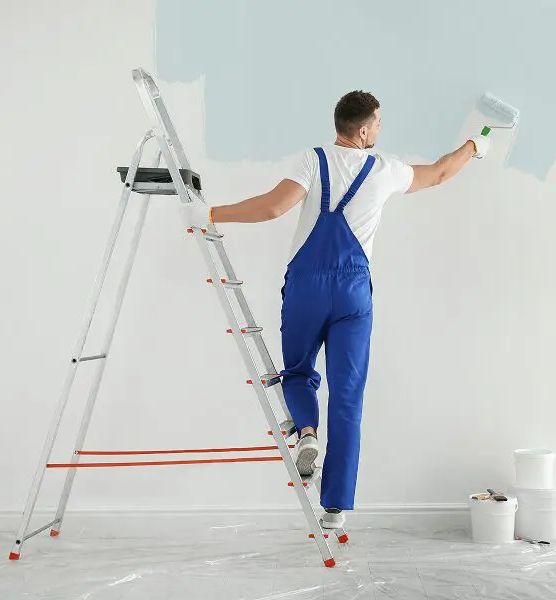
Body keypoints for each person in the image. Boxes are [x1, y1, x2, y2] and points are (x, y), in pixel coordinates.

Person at [191, 91, 490, 529]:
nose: (380, 129)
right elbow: (441, 172)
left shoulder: (313, 160)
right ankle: (334, 508)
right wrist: (474, 146)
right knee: (348, 396)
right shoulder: (386, 169)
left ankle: (307, 434)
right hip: (353, 292)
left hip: (306, 286)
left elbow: (273, 207)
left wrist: (211, 212)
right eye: (379, 122)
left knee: (296, 372)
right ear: (364, 129)